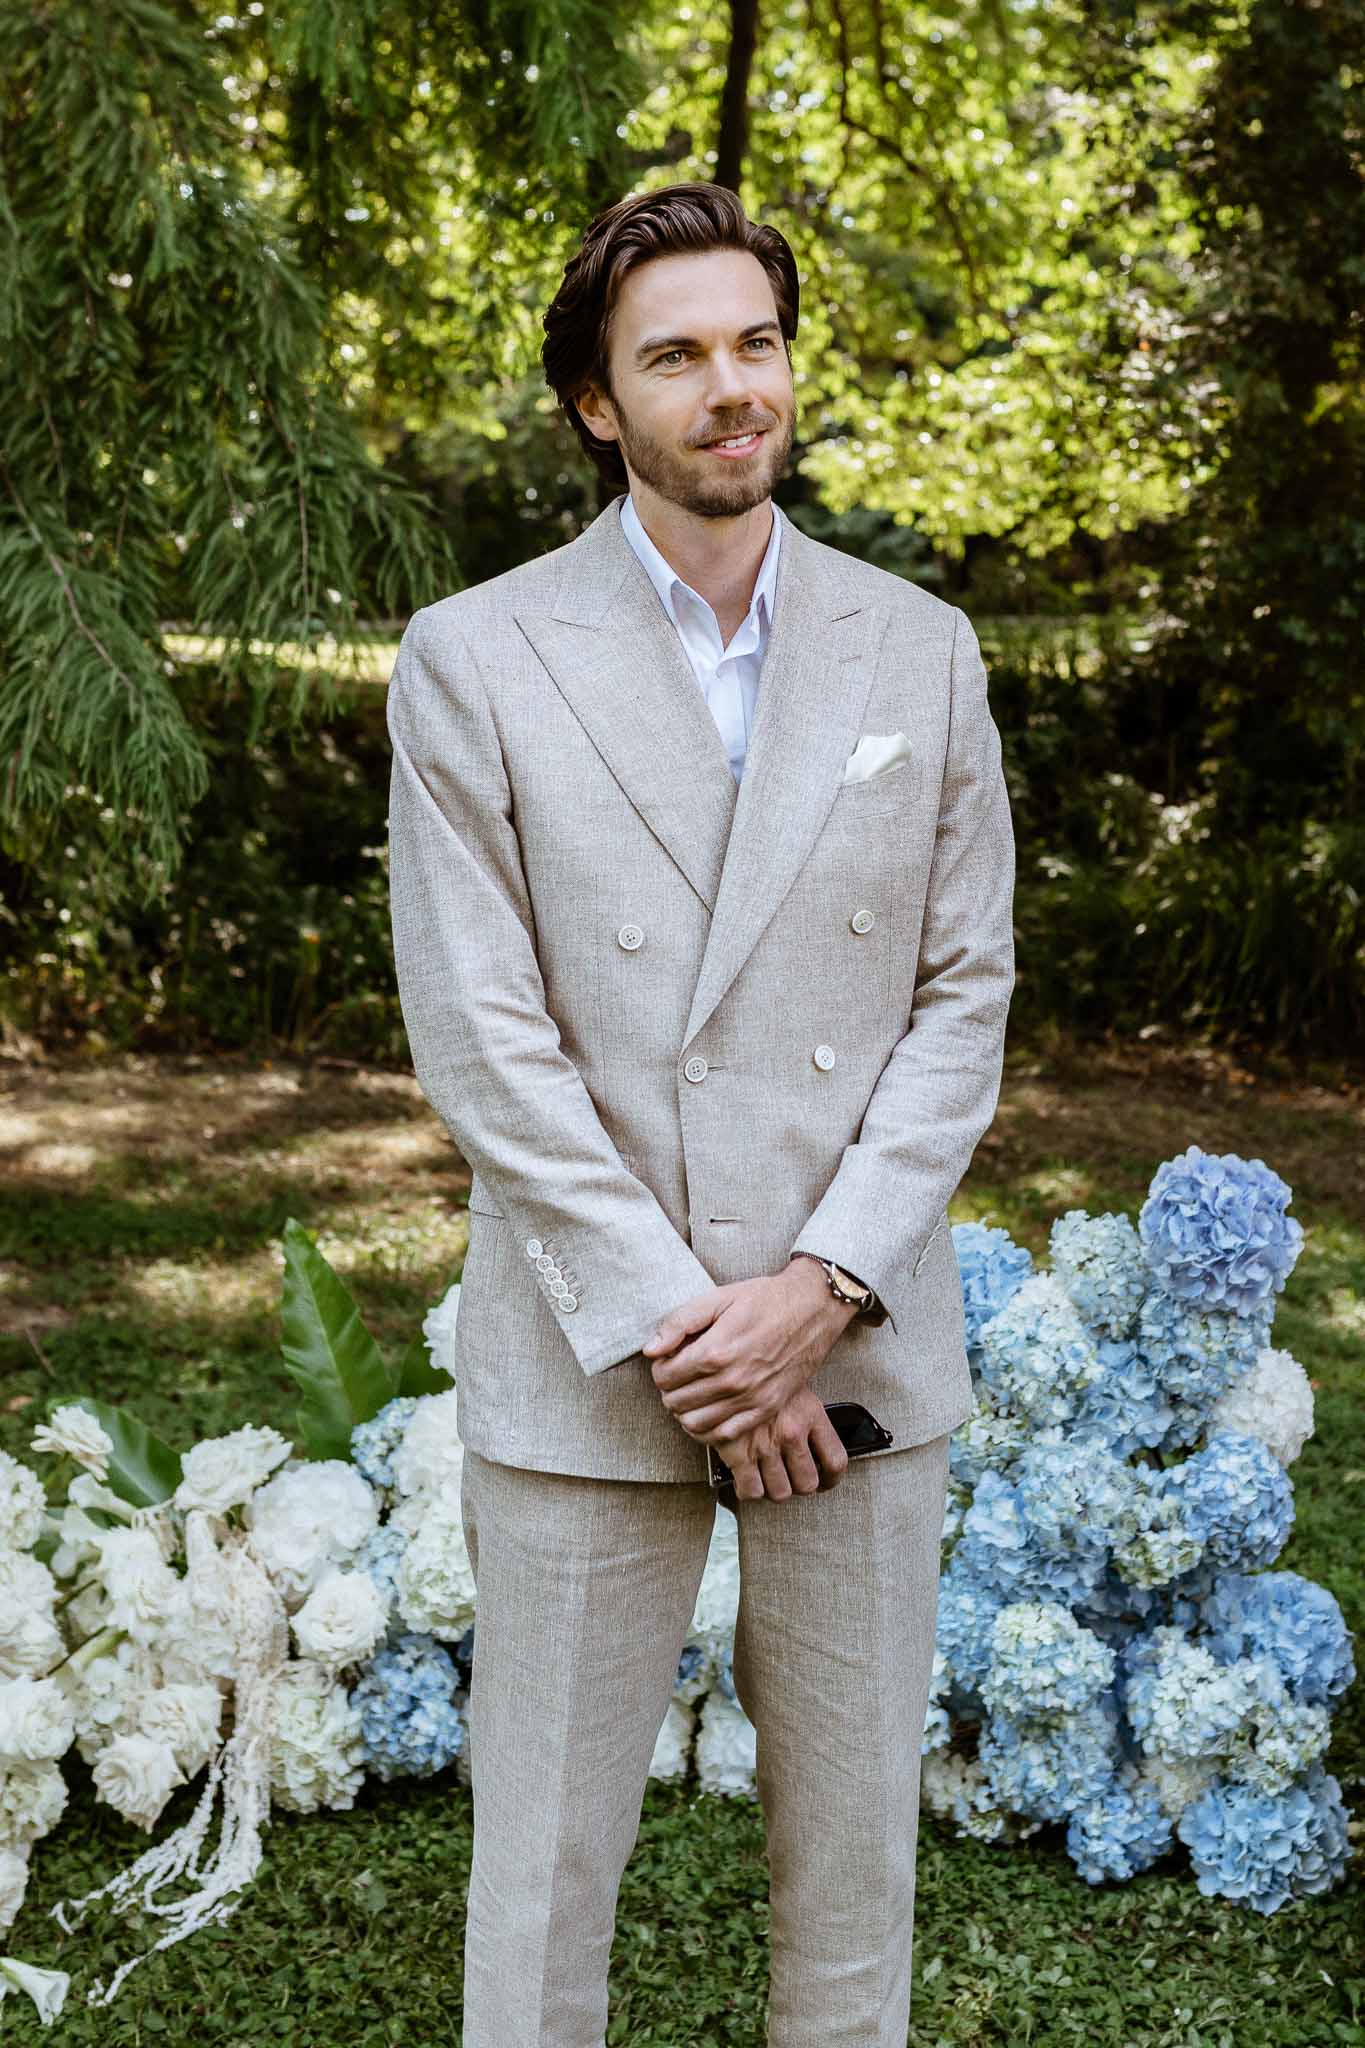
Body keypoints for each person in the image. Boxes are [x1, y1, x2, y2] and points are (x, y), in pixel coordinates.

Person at [385, 180, 1015, 2048]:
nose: (730, 388)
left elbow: (958, 998)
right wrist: (698, 1332)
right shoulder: (473, 657)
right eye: (674, 357)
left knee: (851, 1895)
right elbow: (482, 1032)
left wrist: (818, 1291)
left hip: (860, 1353)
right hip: (600, 1357)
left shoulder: (922, 650)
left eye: (754, 343)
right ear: (599, 403)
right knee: (541, 1892)